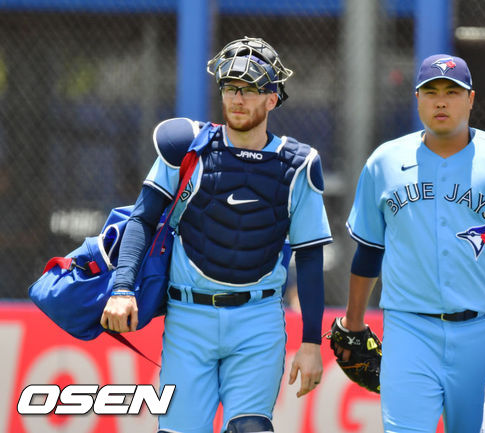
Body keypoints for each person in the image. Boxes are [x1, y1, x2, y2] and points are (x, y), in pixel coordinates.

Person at [101, 37, 332, 433]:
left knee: (251, 429)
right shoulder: (185, 146)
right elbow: (141, 220)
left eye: (250, 89)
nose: (237, 98)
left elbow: (309, 256)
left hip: (258, 319)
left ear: (272, 99)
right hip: (189, 317)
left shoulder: (298, 165)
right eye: (230, 87)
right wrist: (122, 288)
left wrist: (311, 342)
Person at [336, 54, 485, 432]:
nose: (441, 101)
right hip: (409, 330)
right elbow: (369, 251)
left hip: (482, 332)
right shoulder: (384, 162)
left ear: (470, 99)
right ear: (418, 99)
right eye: (431, 92)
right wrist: (354, 321)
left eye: (452, 92)